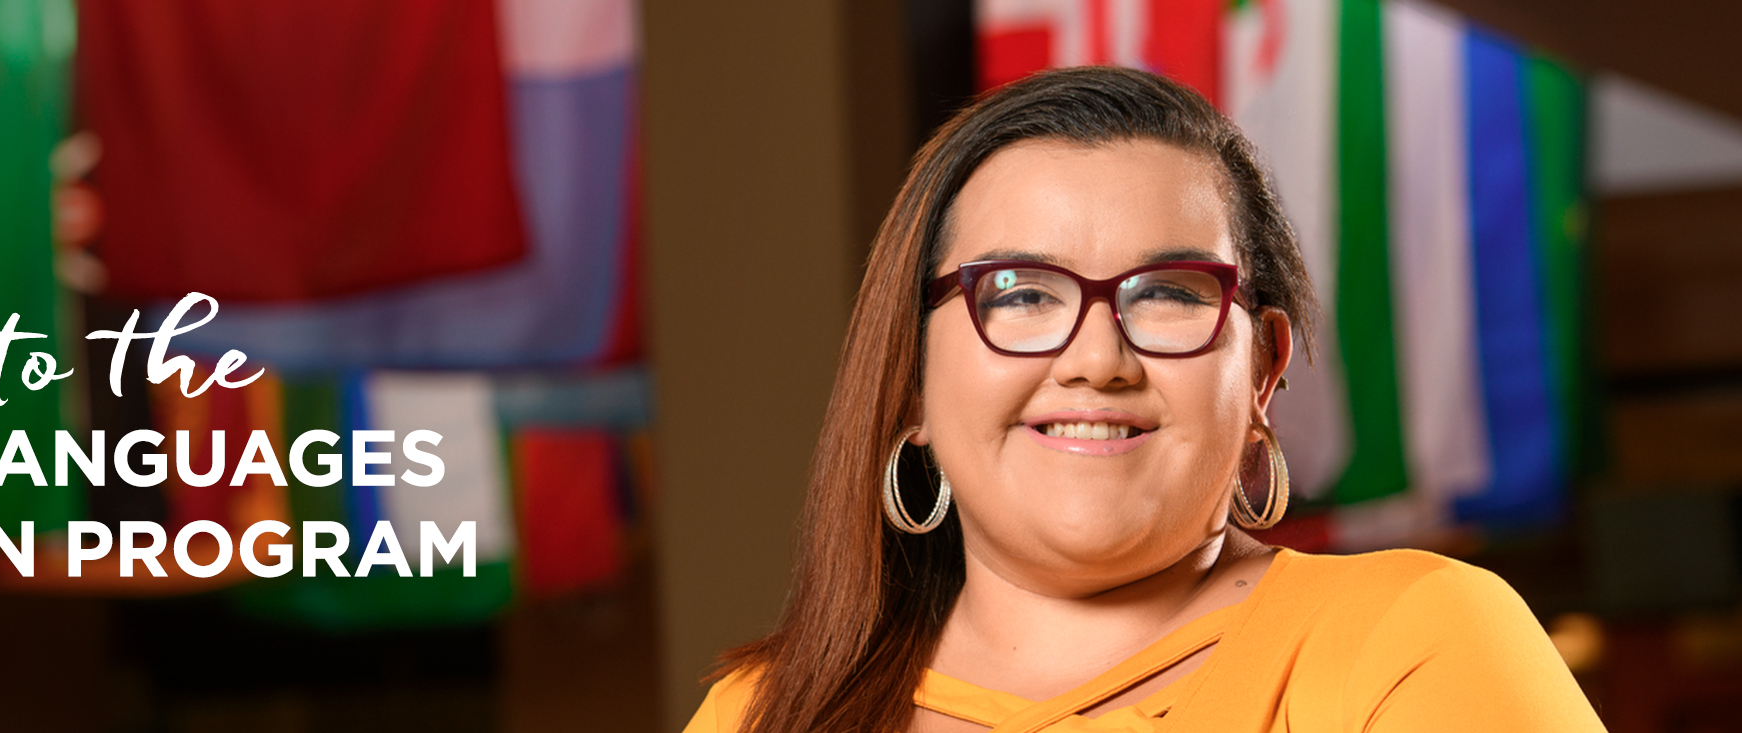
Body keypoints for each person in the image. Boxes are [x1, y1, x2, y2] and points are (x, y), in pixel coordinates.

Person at [681, 67, 1603, 733]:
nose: (1096, 359)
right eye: (1021, 294)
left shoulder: (1411, 639)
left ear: (1263, 371)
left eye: (1166, 292)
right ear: (912, 376)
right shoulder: (758, 715)